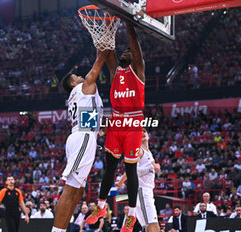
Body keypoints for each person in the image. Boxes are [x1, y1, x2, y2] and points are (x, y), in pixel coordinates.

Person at [87, 22, 146, 232]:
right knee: (110, 168)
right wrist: (108, 24)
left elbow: (134, 41)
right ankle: (101, 207)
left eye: (128, 52)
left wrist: (127, 20)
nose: (126, 52)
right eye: (125, 51)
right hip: (116, 121)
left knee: (131, 170)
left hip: (133, 122)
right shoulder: (115, 72)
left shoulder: (137, 70)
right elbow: (109, 51)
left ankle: (130, 215)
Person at [51, 48, 108, 232]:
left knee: (79, 190)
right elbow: (98, 65)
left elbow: (90, 121)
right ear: (73, 82)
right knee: (70, 188)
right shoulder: (83, 88)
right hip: (83, 137)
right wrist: (105, 46)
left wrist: (102, 130)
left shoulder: (76, 95)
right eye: (76, 75)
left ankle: (63, 228)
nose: (80, 75)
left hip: (82, 135)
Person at [115, 128, 161, 232]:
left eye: (145, 131)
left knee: (152, 225)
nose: (143, 133)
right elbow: (132, 171)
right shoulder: (139, 150)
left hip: (147, 191)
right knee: (152, 224)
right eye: (140, 132)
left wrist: (121, 182)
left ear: (148, 135)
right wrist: (151, 167)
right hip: (142, 191)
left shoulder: (149, 153)